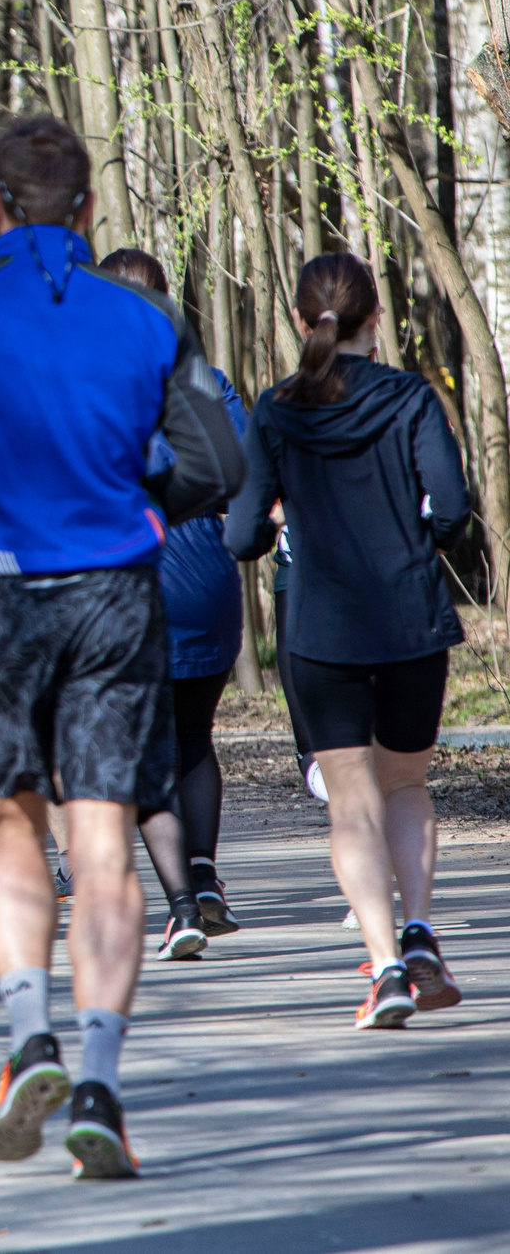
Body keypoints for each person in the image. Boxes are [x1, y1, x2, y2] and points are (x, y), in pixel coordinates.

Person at [0, 116, 240, 1179]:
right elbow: (214, 459)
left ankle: (26, 1034)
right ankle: (100, 1083)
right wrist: (137, 497)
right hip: (112, 591)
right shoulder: (144, 317)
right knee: (102, 836)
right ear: (86, 209)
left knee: (9, 814)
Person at [225, 251, 468, 1029]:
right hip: (410, 621)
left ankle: (387, 965)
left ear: (302, 321)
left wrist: (278, 522)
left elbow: (241, 535)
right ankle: (421, 931)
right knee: (404, 785)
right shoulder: (411, 398)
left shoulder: (276, 411)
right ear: (376, 320)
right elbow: (454, 512)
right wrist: (410, 534)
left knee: (352, 803)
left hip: (323, 629)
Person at [100, 248, 251, 961]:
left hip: (130, 585)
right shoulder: (209, 383)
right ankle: (206, 873)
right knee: (195, 734)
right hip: (207, 583)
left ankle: (181, 906)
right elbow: (243, 476)